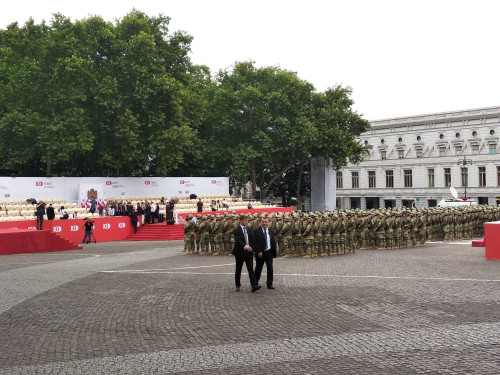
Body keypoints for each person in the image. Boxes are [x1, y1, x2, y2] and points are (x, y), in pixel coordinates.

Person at [232, 214, 260, 293]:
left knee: (251, 269)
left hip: (248, 253)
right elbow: (238, 241)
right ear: (240, 221)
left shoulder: (248, 229)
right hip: (240, 252)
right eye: (245, 220)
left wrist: (253, 251)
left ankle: (254, 285)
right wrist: (246, 246)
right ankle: (238, 285)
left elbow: (251, 240)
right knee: (238, 269)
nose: (247, 222)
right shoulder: (237, 230)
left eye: (247, 220)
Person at [253, 216, 277, 289]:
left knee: (270, 268)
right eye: (263, 222)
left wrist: (274, 252)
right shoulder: (256, 231)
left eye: (265, 222)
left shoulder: (271, 230)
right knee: (258, 268)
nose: (264, 223)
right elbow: (255, 242)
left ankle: (269, 283)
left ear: (268, 222)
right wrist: (258, 251)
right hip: (260, 253)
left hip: (269, 252)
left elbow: (272, 242)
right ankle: (255, 283)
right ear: (261, 222)